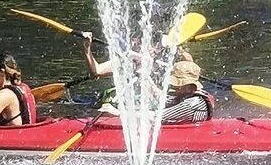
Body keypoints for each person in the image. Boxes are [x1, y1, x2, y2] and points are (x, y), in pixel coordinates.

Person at [80, 37, 215, 123]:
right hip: (121, 103)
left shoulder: (191, 102)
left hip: (136, 112)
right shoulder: (126, 60)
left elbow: (156, 116)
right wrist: (87, 49)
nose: (175, 87)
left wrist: (119, 113)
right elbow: (165, 99)